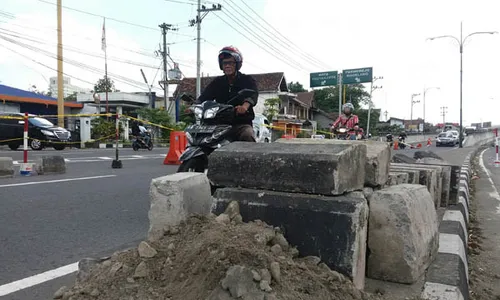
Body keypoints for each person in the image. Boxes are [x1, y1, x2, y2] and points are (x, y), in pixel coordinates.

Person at [194, 46, 258, 142]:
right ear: (221, 65)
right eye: (224, 63)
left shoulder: (247, 80)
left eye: (230, 63)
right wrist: (194, 106)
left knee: (247, 134)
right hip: (219, 124)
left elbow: (253, 94)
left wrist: (244, 106)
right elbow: (204, 97)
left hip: (240, 124)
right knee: (203, 140)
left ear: (237, 64)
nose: (227, 66)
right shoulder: (217, 82)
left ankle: (250, 157)